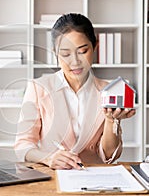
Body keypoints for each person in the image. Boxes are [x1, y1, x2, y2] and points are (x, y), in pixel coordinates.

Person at [14, 13, 136, 170]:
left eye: (83, 51)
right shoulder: (38, 88)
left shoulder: (109, 90)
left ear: (95, 47)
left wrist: (112, 120)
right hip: (52, 177)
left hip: (93, 177)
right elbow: (23, 145)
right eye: (65, 54)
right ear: (55, 53)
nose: (75, 61)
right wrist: (49, 158)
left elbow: (108, 155)